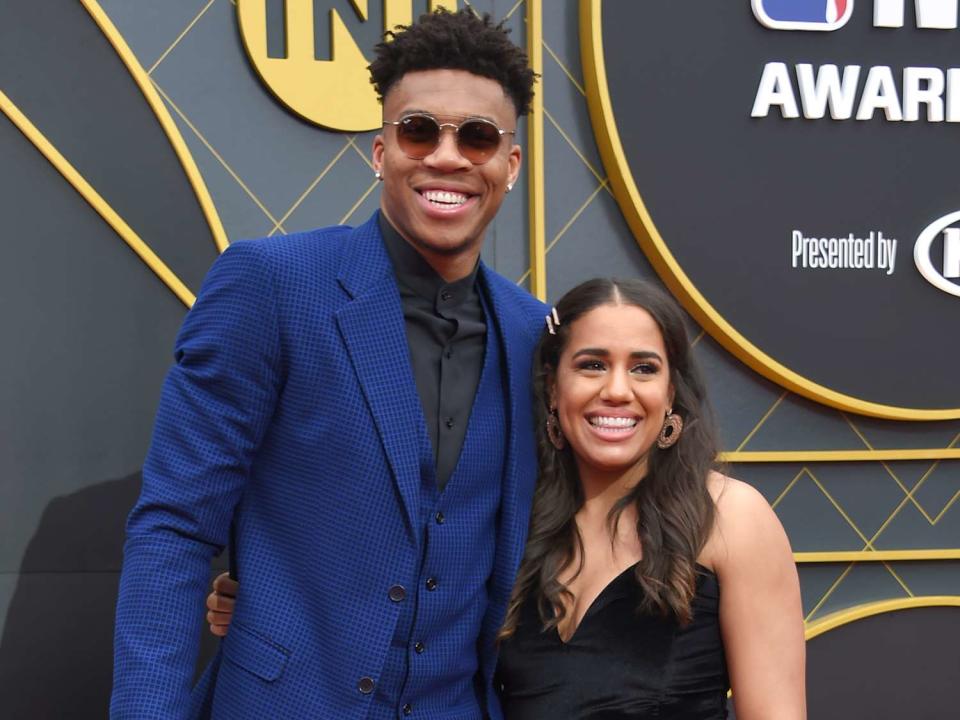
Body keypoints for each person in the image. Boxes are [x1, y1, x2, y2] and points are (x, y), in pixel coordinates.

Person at [111, 9, 544, 720]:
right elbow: (175, 527)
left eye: (477, 136)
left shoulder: (534, 335)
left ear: (510, 164)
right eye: (418, 130)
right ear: (380, 151)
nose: (447, 157)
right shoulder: (272, 285)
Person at [207, 278, 807, 719]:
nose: (617, 391)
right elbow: (399, 619)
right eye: (592, 364)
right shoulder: (509, 519)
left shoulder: (730, 518)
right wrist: (267, 602)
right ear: (553, 389)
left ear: (673, 392)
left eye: (643, 368)